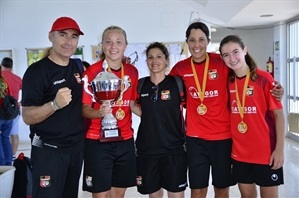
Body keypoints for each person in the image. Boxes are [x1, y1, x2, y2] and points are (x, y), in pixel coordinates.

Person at [169, 22, 284, 198]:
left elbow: (250, 77)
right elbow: (166, 90)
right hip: (195, 139)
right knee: (197, 190)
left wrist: (276, 89)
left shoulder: (222, 63)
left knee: (222, 189)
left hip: (223, 138)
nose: (196, 44)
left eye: (201, 39)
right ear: (187, 42)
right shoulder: (180, 68)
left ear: (208, 41)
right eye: (192, 40)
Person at [21, 16, 85, 198]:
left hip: (75, 149)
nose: (69, 41)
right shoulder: (36, 72)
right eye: (63, 35)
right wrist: (54, 104)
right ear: (51, 37)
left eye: (74, 36)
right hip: (48, 150)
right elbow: (27, 116)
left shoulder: (78, 66)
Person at [219, 35, 285, 198]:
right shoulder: (228, 82)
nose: (232, 58)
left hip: (266, 153)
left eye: (235, 52)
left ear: (245, 50)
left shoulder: (263, 79)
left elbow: (279, 116)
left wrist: (279, 149)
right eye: (226, 55)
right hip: (240, 154)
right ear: (222, 58)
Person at [82, 25, 138, 198]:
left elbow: (133, 103)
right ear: (102, 45)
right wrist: (99, 113)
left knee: (118, 193)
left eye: (118, 42)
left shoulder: (132, 72)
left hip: (125, 139)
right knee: (100, 194)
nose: (113, 46)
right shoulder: (92, 72)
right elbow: (83, 109)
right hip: (97, 140)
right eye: (109, 42)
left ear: (125, 46)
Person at [135, 42, 187, 198]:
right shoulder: (141, 85)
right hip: (148, 150)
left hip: (174, 150)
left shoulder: (177, 84)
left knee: (176, 195)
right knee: (154, 195)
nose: (154, 61)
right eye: (150, 57)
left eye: (159, 56)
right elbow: (131, 104)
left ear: (166, 60)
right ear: (146, 61)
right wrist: (147, 115)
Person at [1, 57, 22, 161]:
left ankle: (3, 159)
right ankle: (12, 157)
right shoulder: (17, 79)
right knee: (13, 134)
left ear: (1, 65)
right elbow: (29, 92)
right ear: (11, 66)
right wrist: (20, 103)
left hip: (1, 112)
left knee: (3, 137)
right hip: (13, 111)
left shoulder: (1, 77)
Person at [0, 66, 13, 165]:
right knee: (5, 137)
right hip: (8, 115)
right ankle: (8, 162)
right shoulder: (4, 81)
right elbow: (10, 95)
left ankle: (1, 162)